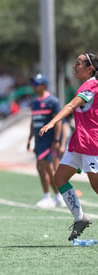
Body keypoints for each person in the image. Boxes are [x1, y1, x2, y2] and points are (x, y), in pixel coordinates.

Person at [39, 53, 98, 241]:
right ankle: (79, 218)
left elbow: (72, 105)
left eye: (78, 63)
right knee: (60, 178)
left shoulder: (91, 85)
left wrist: (51, 123)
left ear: (90, 69)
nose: (74, 66)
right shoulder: (86, 84)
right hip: (79, 142)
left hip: (91, 143)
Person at [27, 74, 65, 208]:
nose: (34, 87)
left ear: (43, 85)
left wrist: (56, 140)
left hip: (48, 139)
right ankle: (50, 196)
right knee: (40, 167)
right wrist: (30, 138)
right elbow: (33, 121)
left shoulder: (52, 101)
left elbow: (59, 122)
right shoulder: (35, 102)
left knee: (47, 166)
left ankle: (57, 195)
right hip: (38, 140)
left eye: (36, 84)